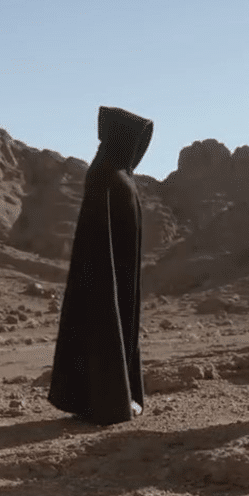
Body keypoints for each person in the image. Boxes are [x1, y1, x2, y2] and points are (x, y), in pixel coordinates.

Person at [47, 106, 153, 425]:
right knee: (104, 324)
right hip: (104, 276)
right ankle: (106, 402)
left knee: (113, 324)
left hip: (116, 274)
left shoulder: (115, 175)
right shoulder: (107, 177)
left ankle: (104, 398)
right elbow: (101, 236)